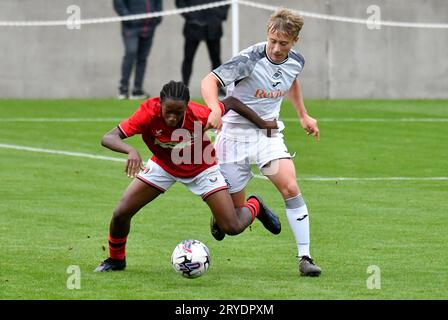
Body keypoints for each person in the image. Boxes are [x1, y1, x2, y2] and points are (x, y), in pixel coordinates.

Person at [94, 80, 280, 272]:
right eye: (168, 112)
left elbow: (232, 102)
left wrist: (263, 123)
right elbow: (108, 137)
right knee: (120, 213)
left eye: (178, 112)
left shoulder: (198, 114)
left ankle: (255, 205)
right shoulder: (147, 112)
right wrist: (130, 150)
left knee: (231, 227)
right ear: (160, 105)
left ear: (187, 107)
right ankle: (116, 260)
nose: (173, 118)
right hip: (163, 166)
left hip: (202, 169)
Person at [200, 8, 322, 277]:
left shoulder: (296, 61)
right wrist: (215, 108)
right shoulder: (249, 59)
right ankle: (252, 206)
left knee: (290, 186)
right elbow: (209, 80)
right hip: (233, 136)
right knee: (232, 221)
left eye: (284, 44)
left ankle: (305, 257)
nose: (277, 48)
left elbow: (291, 81)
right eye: (273, 41)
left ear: (295, 41)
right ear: (268, 34)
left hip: (267, 135)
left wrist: (303, 115)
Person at [175, 0, 229, 96]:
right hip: (193, 26)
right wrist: (190, 16)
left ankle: (218, 89)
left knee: (216, 59)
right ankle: (184, 89)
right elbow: (180, 3)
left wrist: (219, 16)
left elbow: (225, 4)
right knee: (188, 58)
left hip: (213, 26)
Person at [113, 0, 163, 100]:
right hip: (131, 28)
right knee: (130, 53)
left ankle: (137, 90)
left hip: (149, 28)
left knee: (143, 58)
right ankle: (124, 89)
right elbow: (118, 3)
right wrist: (129, 18)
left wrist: (157, 18)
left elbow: (158, 4)